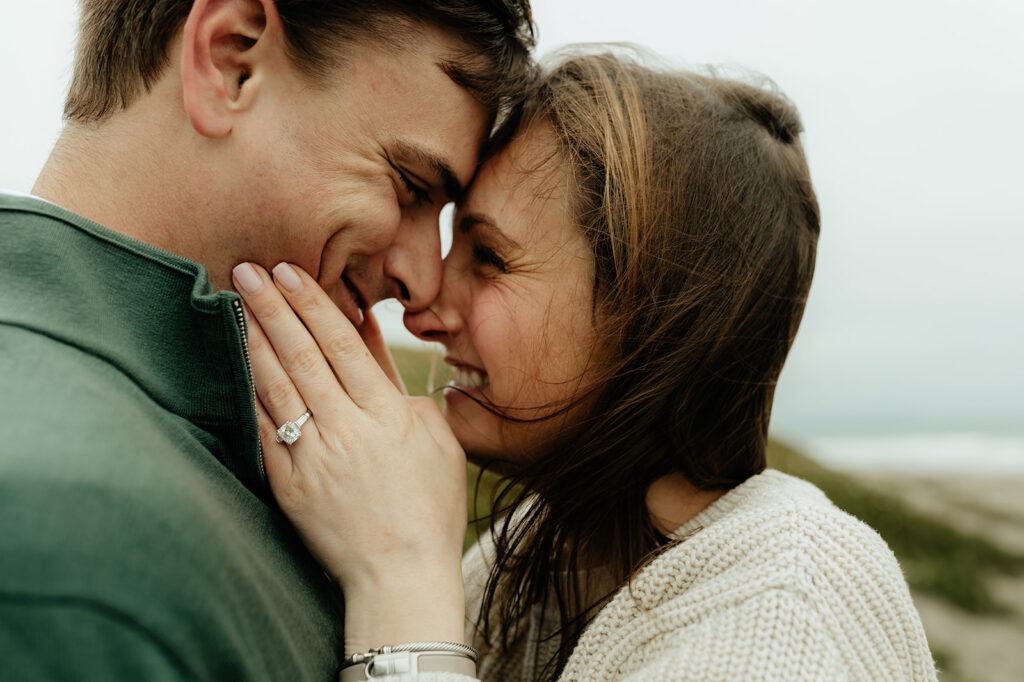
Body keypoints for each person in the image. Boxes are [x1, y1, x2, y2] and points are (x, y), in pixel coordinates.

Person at [236, 51, 938, 680]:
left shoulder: (782, 624)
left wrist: (399, 578)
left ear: (652, 321)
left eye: (488, 259)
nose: (420, 305)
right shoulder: (535, 563)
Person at [0, 1, 534, 679]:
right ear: (232, 60)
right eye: (408, 186)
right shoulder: (63, 551)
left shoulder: (270, 462)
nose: (422, 282)